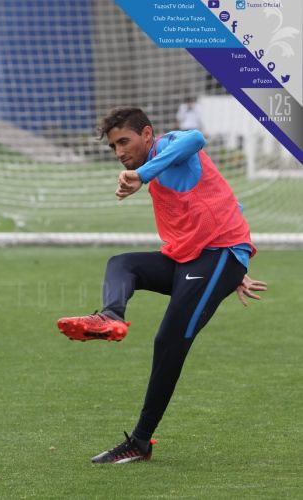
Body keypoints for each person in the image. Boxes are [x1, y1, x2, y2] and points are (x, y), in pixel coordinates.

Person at [56, 107, 267, 464]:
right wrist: (233, 267)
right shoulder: (159, 166)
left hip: (217, 256)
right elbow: (226, 200)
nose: (120, 152)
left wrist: (233, 260)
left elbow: (196, 139)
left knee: (169, 340)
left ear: (148, 135)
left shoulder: (170, 145)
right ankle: (110, 316)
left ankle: (139, 442)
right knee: (122, 264)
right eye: (113, 147)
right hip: (198, 258)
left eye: (124, 141)